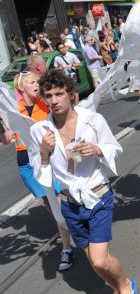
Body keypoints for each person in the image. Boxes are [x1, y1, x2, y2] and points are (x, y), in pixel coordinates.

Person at [30, 70, 136, 294]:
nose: (54, 100)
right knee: (92, 260)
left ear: (71, 94)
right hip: (69, 203)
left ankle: (126, 286)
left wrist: (98, 150)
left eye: (59, 94)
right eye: (48, 95)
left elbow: (114, 148)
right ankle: (117, 289)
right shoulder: (39, 131)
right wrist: (43, 152)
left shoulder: (93, 120)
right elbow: (41, 176)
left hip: (97, 196)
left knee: (99, 260)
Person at [0, 71, 74, 272]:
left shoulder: (46, 102)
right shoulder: (14, 109)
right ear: (21, 87)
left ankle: (67, 246)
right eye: (32, 82)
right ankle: (66, 226)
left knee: (57, 199)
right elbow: (6, 140)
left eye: (37, 81)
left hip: (47, 156)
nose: (37, 84)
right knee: (46, 201)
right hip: (25, 161)